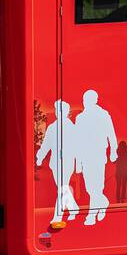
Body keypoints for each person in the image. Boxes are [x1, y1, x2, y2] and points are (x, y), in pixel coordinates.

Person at [74, 89, 117, 225]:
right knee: (90, 188)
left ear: (95, 100)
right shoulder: (80, 118)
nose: (85, 102)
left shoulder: (103, 115)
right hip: (85, 156)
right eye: (84, 100)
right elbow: (78, 141)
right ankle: (103, 203)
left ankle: (91, 216)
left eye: (88, 100)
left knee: (96, 186)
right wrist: (78, 162)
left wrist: (113, 151)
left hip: (98, 154)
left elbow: (111, 134)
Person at [35, 100, 79, 222]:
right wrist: (40, 157)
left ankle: (57, 217)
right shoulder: (52, 128)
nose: (58, 112)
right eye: (57, 110)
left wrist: (79, 162)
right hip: (55, 164)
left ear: (66, 112)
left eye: (61, 110)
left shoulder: (71, 127)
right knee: (63, 187)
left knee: (62, 189)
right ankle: (74, 208)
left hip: (67, 162)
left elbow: (77, 145)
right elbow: (46, 145)